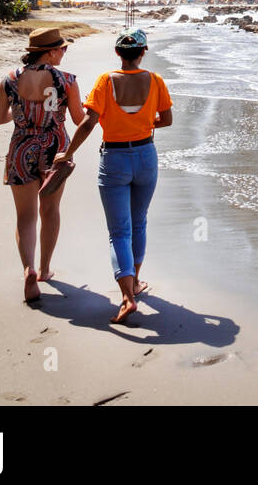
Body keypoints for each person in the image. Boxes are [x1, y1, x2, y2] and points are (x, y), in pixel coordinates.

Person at [55, 28, 172, 324]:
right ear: (143, 52)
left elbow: (89, 122)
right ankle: (135, 282)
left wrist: (68, 153)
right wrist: (143, 123)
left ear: (118, 53)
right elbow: (166, 119)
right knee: (139, 221)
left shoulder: (105, 81)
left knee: (119, 231)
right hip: (146, 155)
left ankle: (127, 297)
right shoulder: (156, 81)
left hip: (115, 158)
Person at [0, 27, 85, 303]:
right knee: (50, 209)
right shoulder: (66, 80)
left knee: (25, 216)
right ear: (50, 52)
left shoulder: (9, 79)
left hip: (22, 146)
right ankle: (45, 269)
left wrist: (21, 109)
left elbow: (0, 118)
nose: (64, 53)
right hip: (55, 147)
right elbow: (79, 118)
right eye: (62, 49)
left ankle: (28, 269)